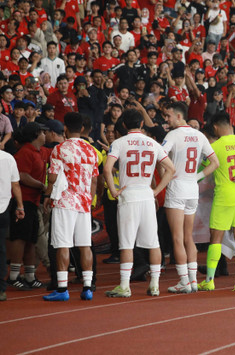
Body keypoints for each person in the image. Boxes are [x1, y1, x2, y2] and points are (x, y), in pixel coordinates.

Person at [103, 109, 176, 297]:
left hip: (129, 195)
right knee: (153, 242)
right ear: (142, 124)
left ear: (124, 125)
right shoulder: (152, 143)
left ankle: (125, 285)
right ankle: (155, 285)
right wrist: (157, 191)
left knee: (126, 243)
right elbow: (171, 169)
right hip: (146, 195)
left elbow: (107, 168)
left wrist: (113, 190)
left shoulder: (119, 143)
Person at [162, 101, 220, 294]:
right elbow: (215, 162)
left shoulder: (172, 135)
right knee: (189, 237)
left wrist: (164, 177)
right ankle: (194, 281)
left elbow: (159, 157)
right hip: (191, 188)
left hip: (177, 187)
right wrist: (197, 176)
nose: (166, 119)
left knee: (177, 238)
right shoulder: (199, 135)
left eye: (168, 115)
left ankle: (184, 281)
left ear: (179, 116)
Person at [43, 113, 100, 302]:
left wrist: (48, 196)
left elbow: (52, 178)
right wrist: (89, 200)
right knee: (85, 245)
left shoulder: (59, 150)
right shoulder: (91, 151)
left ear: (65, 128)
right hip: (84, 202)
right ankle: (87, 287)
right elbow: (93, 180)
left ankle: (62, 288)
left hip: (64, 201)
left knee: (63, 244)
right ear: (82, 129)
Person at [199, 112, 235, 292]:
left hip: (224, 196)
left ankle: (210, 280)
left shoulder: (215, 146)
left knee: (216, 238)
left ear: (214, 127)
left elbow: (203, 169)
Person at [7, 123, 48, 290]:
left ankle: (30, 276)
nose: (45, 135)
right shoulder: (25, 152)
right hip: (22, 201)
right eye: (43, 132)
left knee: (30, 239)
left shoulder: (38, 151)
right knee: (20, 238)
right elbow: (21, 176)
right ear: (37, 134)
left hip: (32, 201)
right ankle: (13, 275)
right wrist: (41, 186)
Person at [0, 148, 24, 301]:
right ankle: (1, 289)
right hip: (3, 208)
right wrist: (20, 206)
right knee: (1, 249)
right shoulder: (8, 158)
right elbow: (15, 185)